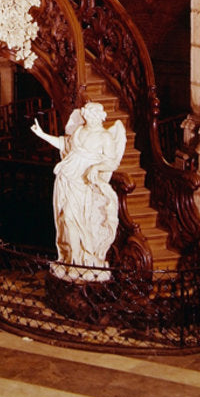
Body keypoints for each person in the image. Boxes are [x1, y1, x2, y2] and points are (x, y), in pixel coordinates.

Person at [31, 102, 126, 276]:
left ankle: (83, 259)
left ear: (99, 117)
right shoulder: (79, 131)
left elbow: (113, 162)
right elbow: (64, 144)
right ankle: (71, 259)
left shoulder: (105, 137)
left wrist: (96, 167)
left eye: (91, 116)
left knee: (76, 219)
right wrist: (42, 134)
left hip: (83, 185)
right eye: (86, 115)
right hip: (66, 179)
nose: (88, 118)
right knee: (64, 220)